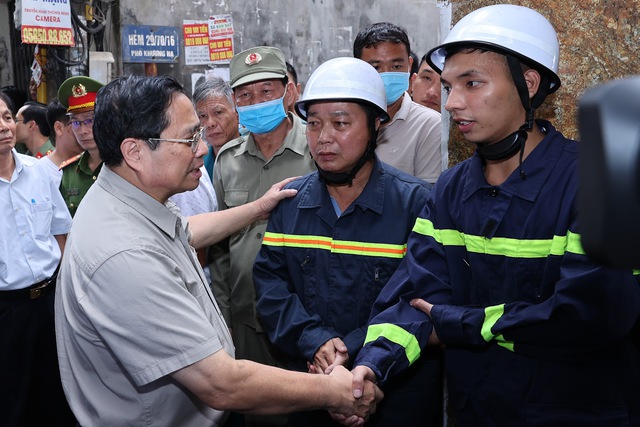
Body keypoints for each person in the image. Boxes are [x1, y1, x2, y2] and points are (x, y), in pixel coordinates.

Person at [351, 5, 640, 426]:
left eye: (473, 83)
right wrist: (372, 366)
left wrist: (458, 322)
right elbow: (413, 296)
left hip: (576, 411)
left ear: (528, 83)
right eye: (450, 86)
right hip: (479, 410)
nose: (453, 102)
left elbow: (591, 314)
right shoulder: (451, 188)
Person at [55, 74, 382, 427]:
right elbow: (223, 384)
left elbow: (183, 232)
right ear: (135, 152)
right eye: (189, 137)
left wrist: (258, 208)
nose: (202, 148)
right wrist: (334, 392)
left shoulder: (127, 199)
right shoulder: (124, 256)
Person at [253, 57, 441, 427]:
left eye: (340, 123)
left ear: (375, 126)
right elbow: (270, 289)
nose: (324, 138)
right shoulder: (291, 204)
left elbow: (419, 301)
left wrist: (349, 353)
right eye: (315, 124)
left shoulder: (417, 205)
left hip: (395, 394)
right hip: (311, 392)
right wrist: (315, 342)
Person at [212, 46, 316, 426]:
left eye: (266, 92)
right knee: (256, 415)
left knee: (309, 410)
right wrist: (222, 314)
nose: (255, 103)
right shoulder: (227, 160)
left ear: (289, 92)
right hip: (245, 316)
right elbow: (221, 249)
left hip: (305, 316)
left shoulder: (317, 151)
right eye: (244, 96)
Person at [0, 92, 76, 427]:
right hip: (7, 311)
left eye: (5, 117)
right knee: (11, 402)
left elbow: (62, 232)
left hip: (49, 302)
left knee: (57, 397)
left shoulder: (41, 172)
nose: (4, 127)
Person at [354, 22, 442, 184]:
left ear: (409, 65)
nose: (387, 74)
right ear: (357, 68)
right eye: (376, 67)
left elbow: (426, 199)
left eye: (396, 66)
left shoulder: (429, 125)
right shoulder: (343, 120)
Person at [57, 76, 104, 216]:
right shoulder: (69, 173)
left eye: (90, 120)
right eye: (76, 123)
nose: (82, 131)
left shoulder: (124, 166)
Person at [39, 99, 84, 185]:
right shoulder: (40, 172)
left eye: (88, 121)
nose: (83, 130)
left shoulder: (93, 163)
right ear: (59, 128)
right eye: (76, 123)